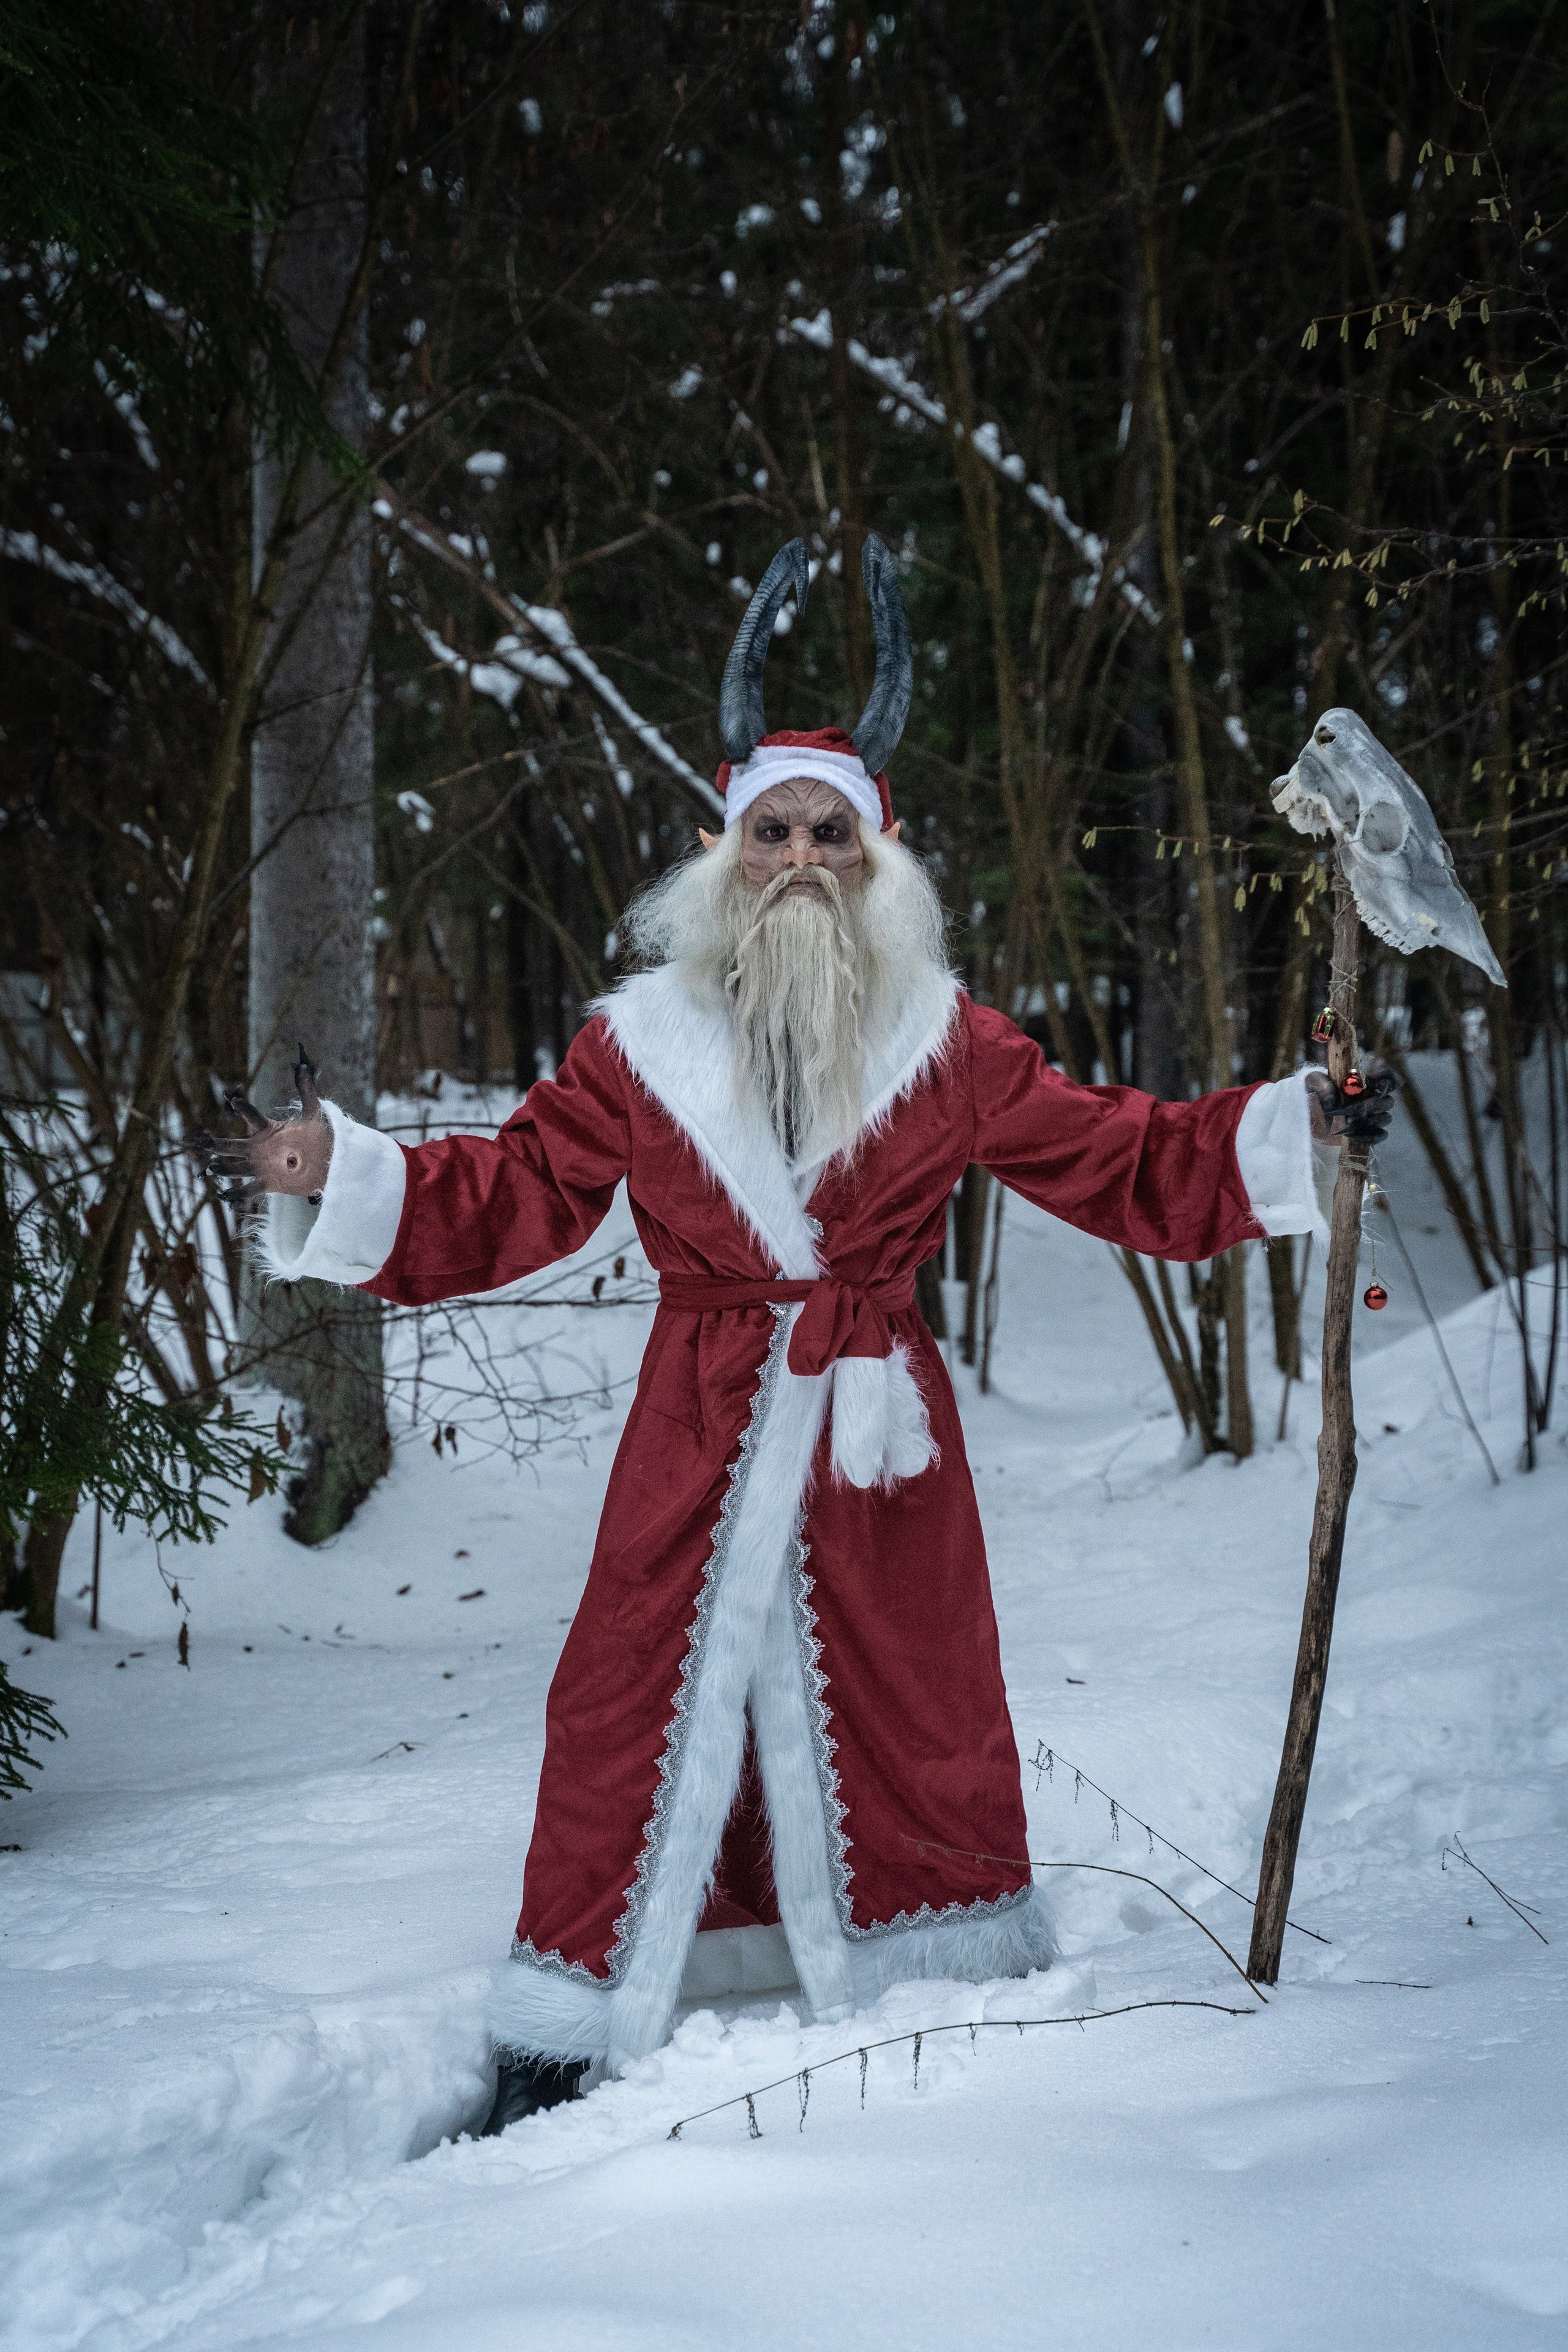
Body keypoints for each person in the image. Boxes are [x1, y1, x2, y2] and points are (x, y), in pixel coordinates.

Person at [197, 538, 1395, 2130]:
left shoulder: (951, 1042)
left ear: (876, 854)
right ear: (727, 847)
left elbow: (1120, 1159)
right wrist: (331, 1170)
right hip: (697, 1424)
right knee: (634, 1695)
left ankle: (937, 2015)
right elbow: (521, 1191)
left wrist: (1301, 1123)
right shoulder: (636, 1044)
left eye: (835, 831)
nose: (805, 854)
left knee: (905, 1695)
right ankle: (574, 2027)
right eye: (777, 830)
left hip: (876, 1432)